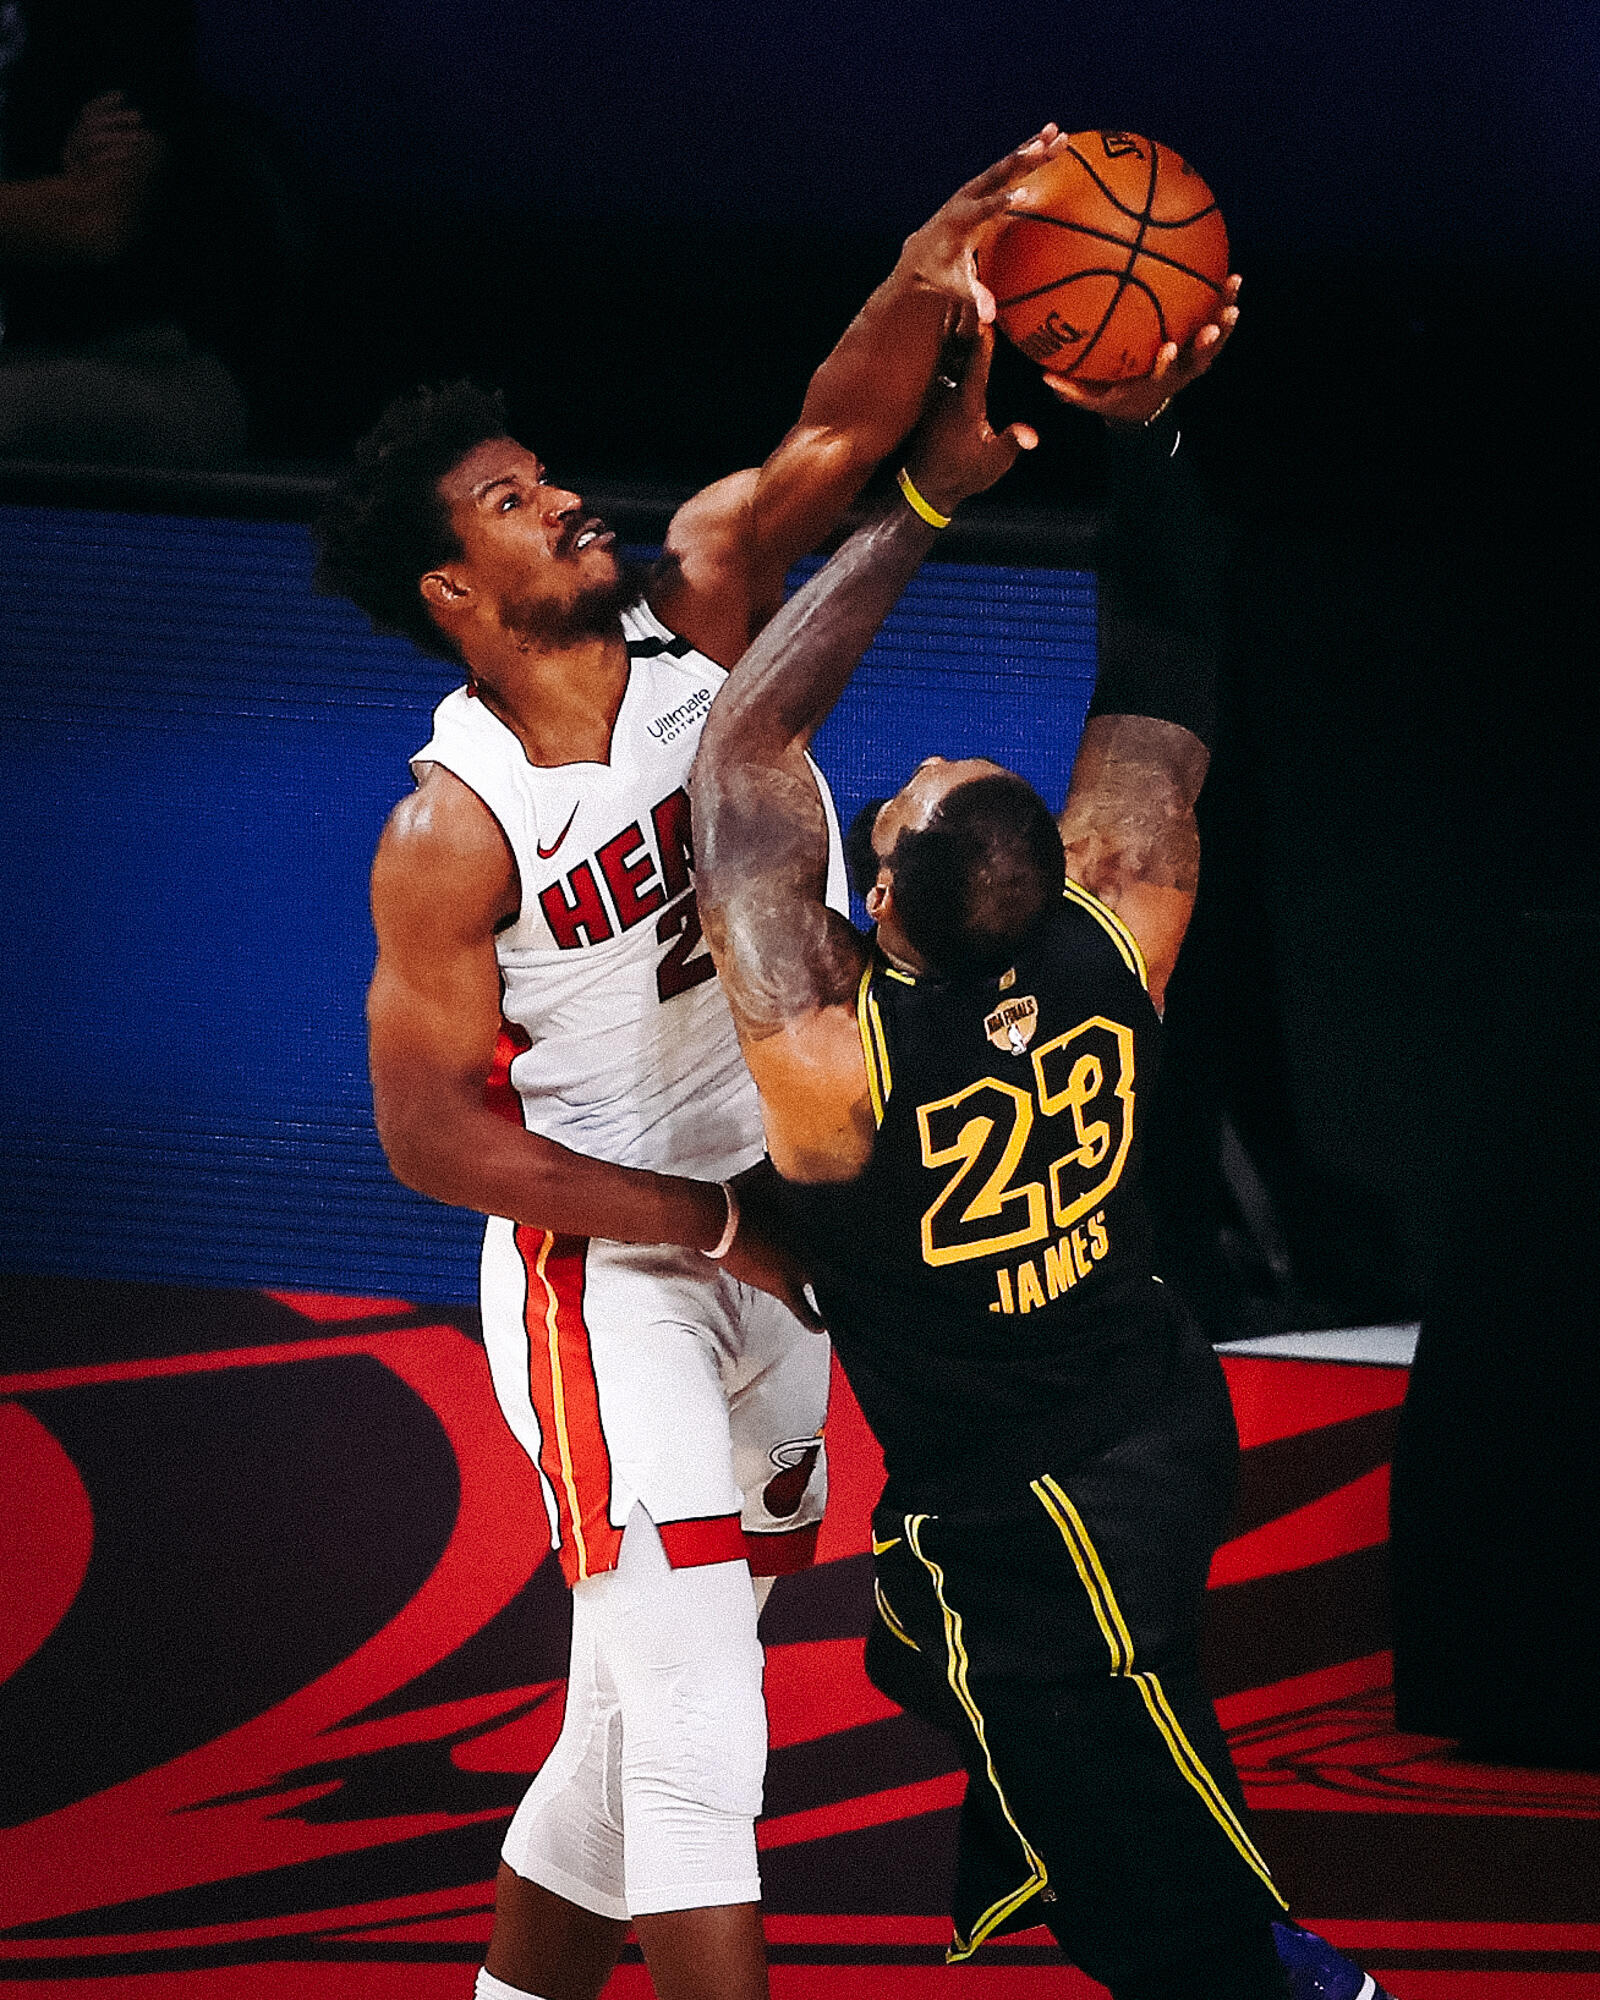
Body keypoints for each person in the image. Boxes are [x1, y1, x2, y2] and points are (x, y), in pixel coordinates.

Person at [314, 130, 1077, 2000]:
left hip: (783, 1225)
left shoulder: (700, 622)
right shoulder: (452, 828)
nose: (566, 501)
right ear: (455, 590)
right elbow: (429, 1140)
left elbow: (834, 432)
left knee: (637, 1709)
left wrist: (930, 257)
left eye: (545, 475)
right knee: (702, 1724)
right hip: (614, 1270)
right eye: (513, 502)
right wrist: (705, 1225)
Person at [689, 322, 1395, 2000]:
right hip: (1160, 1407)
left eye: (911, 794)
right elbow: (1165, 668)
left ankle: (1292, 1980)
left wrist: (929, 501)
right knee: (967, 1680)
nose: (923, 762)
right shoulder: (1123, 922)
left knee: (1134, 1836)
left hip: (1032, 1510)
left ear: (882, 907)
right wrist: (1148, 436)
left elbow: (740, 754)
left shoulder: (833, 1068)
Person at [0, 0, 248, 465]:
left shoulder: (117, 22)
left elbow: (97, 219)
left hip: (155, 366)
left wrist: (59, 202)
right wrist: (48, 197)